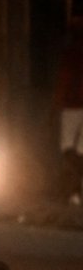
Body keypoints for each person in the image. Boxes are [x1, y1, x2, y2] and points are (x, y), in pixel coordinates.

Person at [54, 16, 83, 205]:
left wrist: (56, 103)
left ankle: (74, 190)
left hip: (72, 105)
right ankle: (74, 190)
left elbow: (64, 80)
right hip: (72, 104)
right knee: (76, 152)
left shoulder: (71, 52)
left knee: (69, 150)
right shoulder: (70, 52)